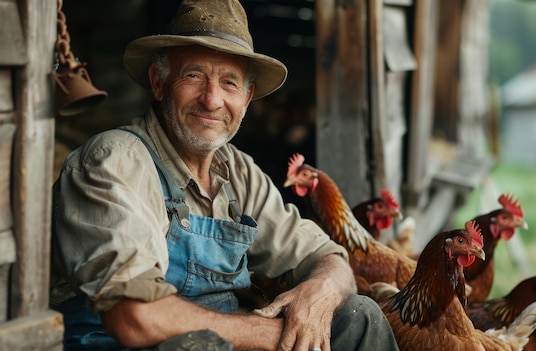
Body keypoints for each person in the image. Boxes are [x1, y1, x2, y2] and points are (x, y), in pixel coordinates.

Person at [49, 1, 400, 350]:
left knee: (359, 315)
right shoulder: (116, 161)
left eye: (229, 82)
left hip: (213, 345)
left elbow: (329, 257)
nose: (212, 99)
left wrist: (320, 291)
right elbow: (134, 318)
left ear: (246, 99)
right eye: (194, 75)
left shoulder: (237, 171)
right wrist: (274, 336)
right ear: (158, 82)